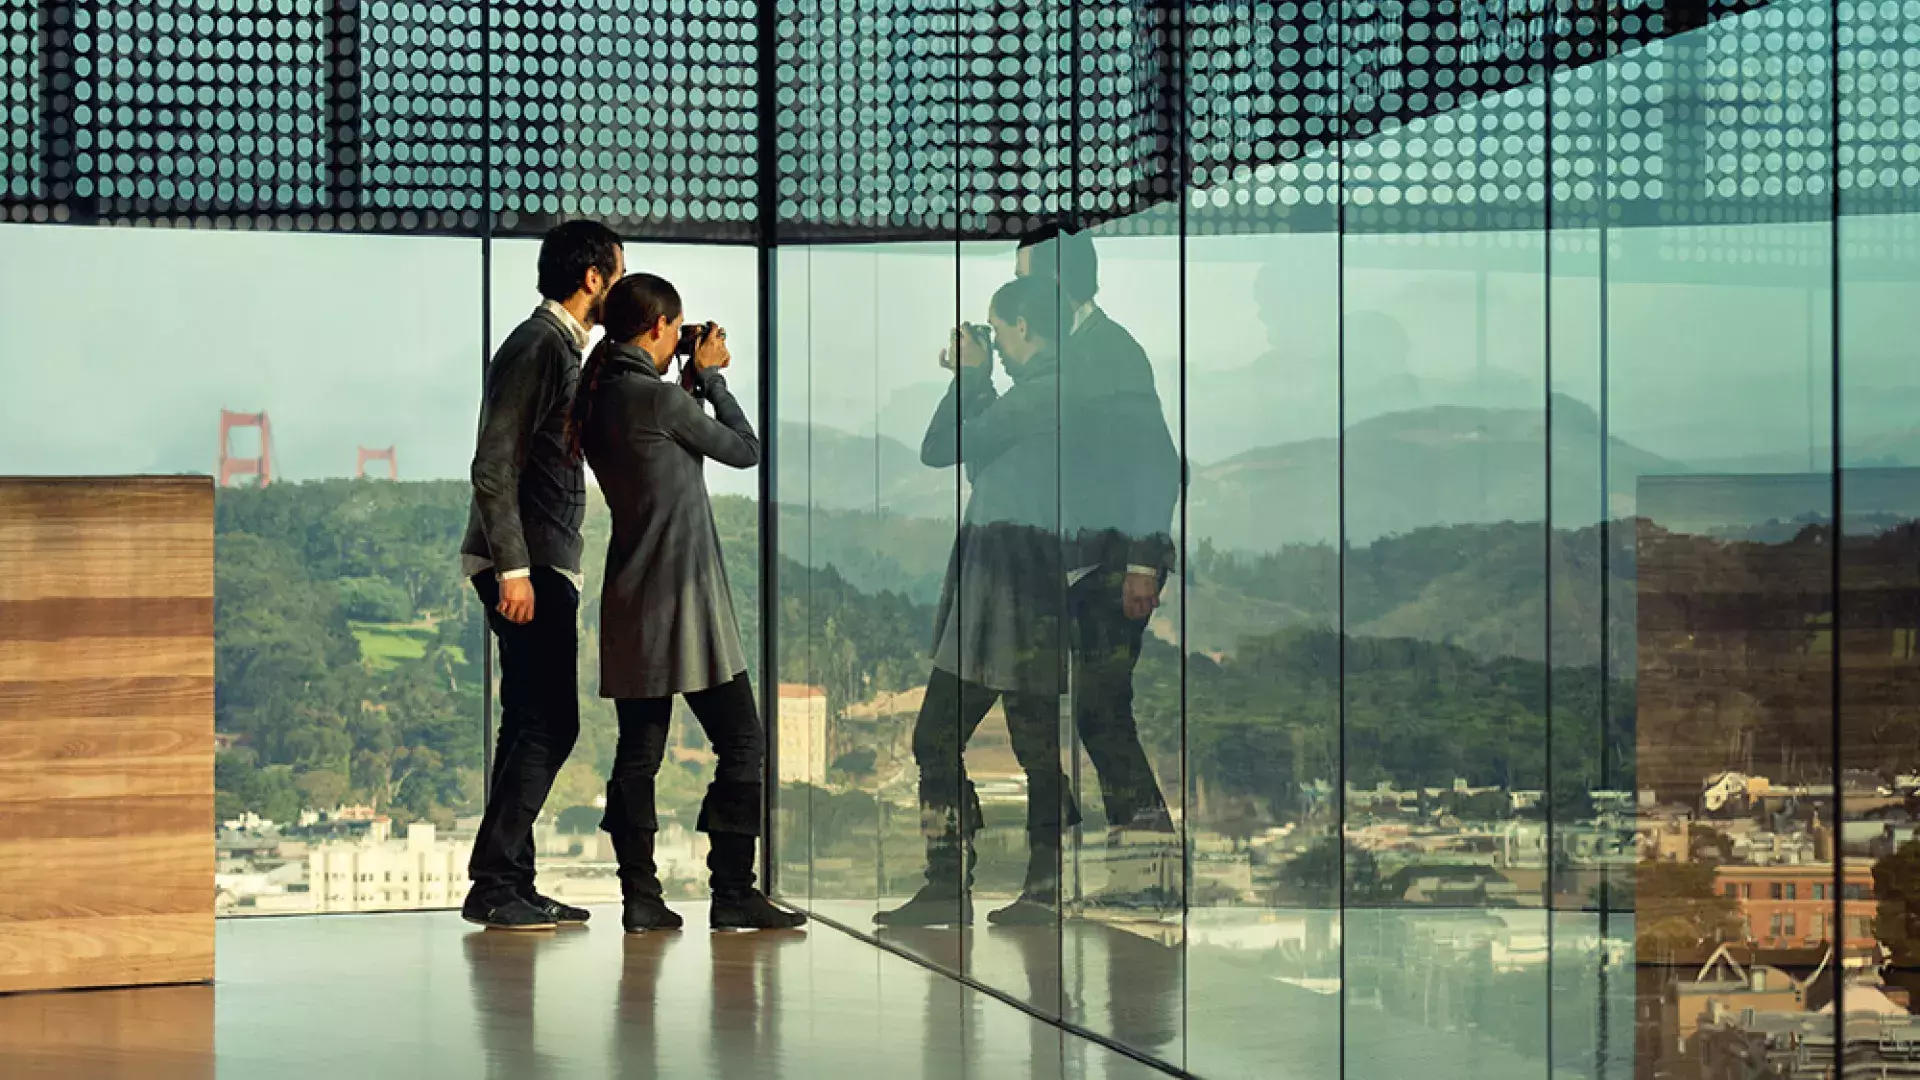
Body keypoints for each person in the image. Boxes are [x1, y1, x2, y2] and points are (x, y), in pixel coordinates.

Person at [573, 272, 806, 933]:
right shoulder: (660, 401)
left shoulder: (602, 395)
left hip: (630, 598)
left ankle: (640, 899)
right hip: (686, 601)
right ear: (657, 329)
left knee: (637, 754)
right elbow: (745, 451)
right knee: (742, 741)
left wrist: (682, 376)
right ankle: (732, 892)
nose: (683, 338)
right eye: (676, 330)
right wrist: (711, 382)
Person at [876, 276, 1074, 928]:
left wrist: (969, 378)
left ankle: (961, 882)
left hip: (1008, 588)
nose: (995, 343)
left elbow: (940, 450)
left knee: (954, 738)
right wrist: (978, 380)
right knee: (1026, 744)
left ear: (1022, 329)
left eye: (998, 330)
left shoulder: (1043, 396)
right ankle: (1028, 885)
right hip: (1017, 586)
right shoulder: (1042, 395)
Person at [460, 220, 623, 931]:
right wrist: (515, 570)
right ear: (593, 278)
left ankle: (511, 883)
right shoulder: (536, 346)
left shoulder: (562, 348)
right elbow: (493, 463)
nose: (617, 287)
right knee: (553, 722)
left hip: (539, 559)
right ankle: (494, 881)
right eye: (618, 274)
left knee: (529, 722)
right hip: (526, 562)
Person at [1016, 225, 1179, 842]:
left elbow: (1155, 458)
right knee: (1091, 713)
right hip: (1080, 561)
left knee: (1101, 712)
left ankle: (1148, 849)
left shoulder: (1108, 350)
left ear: (1057, 282)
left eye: (1025, 279)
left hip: (1109, 562)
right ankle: (1136, 850)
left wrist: (1141, 561)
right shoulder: (1072, 349)